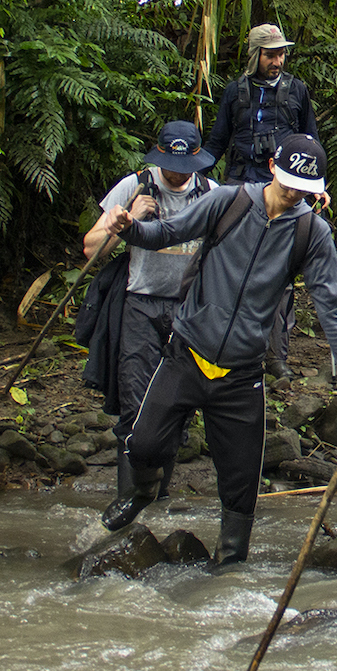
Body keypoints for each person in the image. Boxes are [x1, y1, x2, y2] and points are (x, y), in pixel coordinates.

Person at [99, 134, 337, 569]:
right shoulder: (227, 202)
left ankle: (228, 563)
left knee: (241, 480)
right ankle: (138, 493)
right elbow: (169, 232)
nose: (293, 198)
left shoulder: (311, 232)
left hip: (242, 373)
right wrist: (130, 228)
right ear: (272, 167)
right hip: (188, 352)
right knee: (145, 442)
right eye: (288, 186)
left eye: (303, 192)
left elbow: (331, 308)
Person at [79, 121, 217, 505]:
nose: (176, 174)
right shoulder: (135, 186)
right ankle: (130, 500)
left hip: (188, 311)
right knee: (135, 407)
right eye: (169, 165)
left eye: (184, 166)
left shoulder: (211, 194)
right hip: (140, 306)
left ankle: (158, 499)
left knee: (176, 407)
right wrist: (124, 220)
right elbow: (91, 249)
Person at [204, 23, 325, 378]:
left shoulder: (297, 91)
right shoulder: (234, 92)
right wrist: (191, 174)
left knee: (280, 273)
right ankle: (225, 346)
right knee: (231, 267)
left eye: (281, 53)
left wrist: (318, 185)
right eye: (271, 54)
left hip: (286, 192)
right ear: (255, 55)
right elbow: (217, 142)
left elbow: (310, 140)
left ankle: (276, 357)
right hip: (242, 189)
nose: (278, 60)